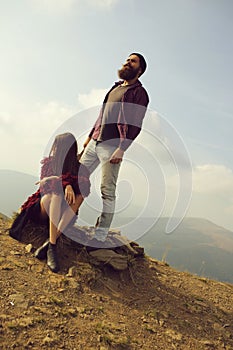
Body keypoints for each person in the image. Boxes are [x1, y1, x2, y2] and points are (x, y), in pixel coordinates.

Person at [80, 53, 149, 243]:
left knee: (107, 191)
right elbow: (102, 114)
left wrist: (122, 148)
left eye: (133, 61)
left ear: (140, 70)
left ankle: (100, 235)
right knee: (77, 178)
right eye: (127, 59)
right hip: (94, 142)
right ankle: (67, 220)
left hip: (112, 147)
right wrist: (89, 137)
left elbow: (136, 124)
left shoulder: (139, 94)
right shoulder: (116, 87)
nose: (128, 62)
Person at [9, 132, 90, 272]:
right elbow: (45, 186)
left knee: (80, 196)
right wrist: (66, 184)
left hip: (61, 215)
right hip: (42, 210)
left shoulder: (78, 168)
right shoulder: (49, 163)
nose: (53, 149)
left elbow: (85, 187)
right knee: (55, 195)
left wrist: (65, 182)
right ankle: (53, 246)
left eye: (56, 146)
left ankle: (48, 244)